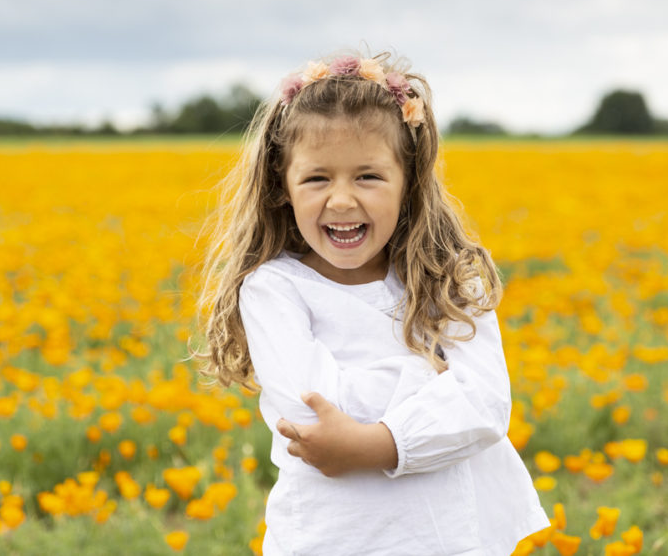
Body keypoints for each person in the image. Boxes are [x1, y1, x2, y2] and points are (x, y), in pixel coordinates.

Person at [199, 50, 550, 555]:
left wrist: (373, 443)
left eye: (368, 176)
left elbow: (485, 405)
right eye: (317, 178)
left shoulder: (449, 282)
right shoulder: (272, 289)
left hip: (446, 536)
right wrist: (432, 383)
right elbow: (312, 411)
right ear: (283, 188)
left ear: (408, 184)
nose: (341, 200)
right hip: (330, 538)